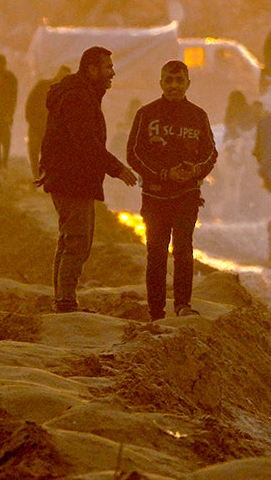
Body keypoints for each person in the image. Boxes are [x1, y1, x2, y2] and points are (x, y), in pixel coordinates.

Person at [38, 47, 138, 313]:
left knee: (69, 240)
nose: (112, 73)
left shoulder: (80, 94)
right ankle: (66, 303)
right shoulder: (78, 98)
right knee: (77, 242)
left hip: (68, 178)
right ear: (92, 69)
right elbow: (85, 142)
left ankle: (63, 299)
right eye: (108, 67)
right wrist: (116, 168)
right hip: (72, 180)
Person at [125, 59, 218, 320]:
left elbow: (210, 153)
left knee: (183, 250)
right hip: (154, 196)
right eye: (169, 80)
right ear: (161, 83)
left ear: (188, 83)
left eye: (179, 80)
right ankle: (156, 312)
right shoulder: (146, 114)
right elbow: (133, 154)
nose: (174, 85)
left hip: (187, 196)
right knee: (156, 253)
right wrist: (164, 174)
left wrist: (195, 170)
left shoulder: (198, 116)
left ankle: (183, 305)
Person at [25, 64, 70, 181]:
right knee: (34, 153)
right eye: (62, 76)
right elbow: (30, 102)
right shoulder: (42, 85)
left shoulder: (68, 93)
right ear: (58, 74)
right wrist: (31, 119)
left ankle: (47, 179)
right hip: (36, 125)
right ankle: (36, 177)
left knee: (50, 156)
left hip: (51, 130)